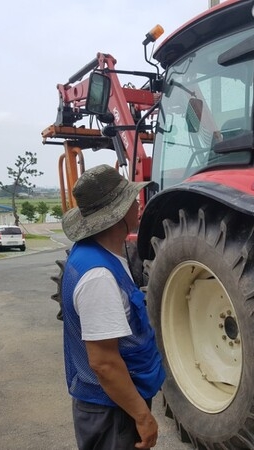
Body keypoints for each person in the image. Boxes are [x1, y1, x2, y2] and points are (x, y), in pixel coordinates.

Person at [61, 164, 166, 449]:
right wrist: (142, 417)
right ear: (118, 214)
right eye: (131, 200)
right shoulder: (99, 276)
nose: (137, 204)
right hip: (112, 411)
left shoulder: (98, 255)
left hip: (115, 404)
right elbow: (104, 364)